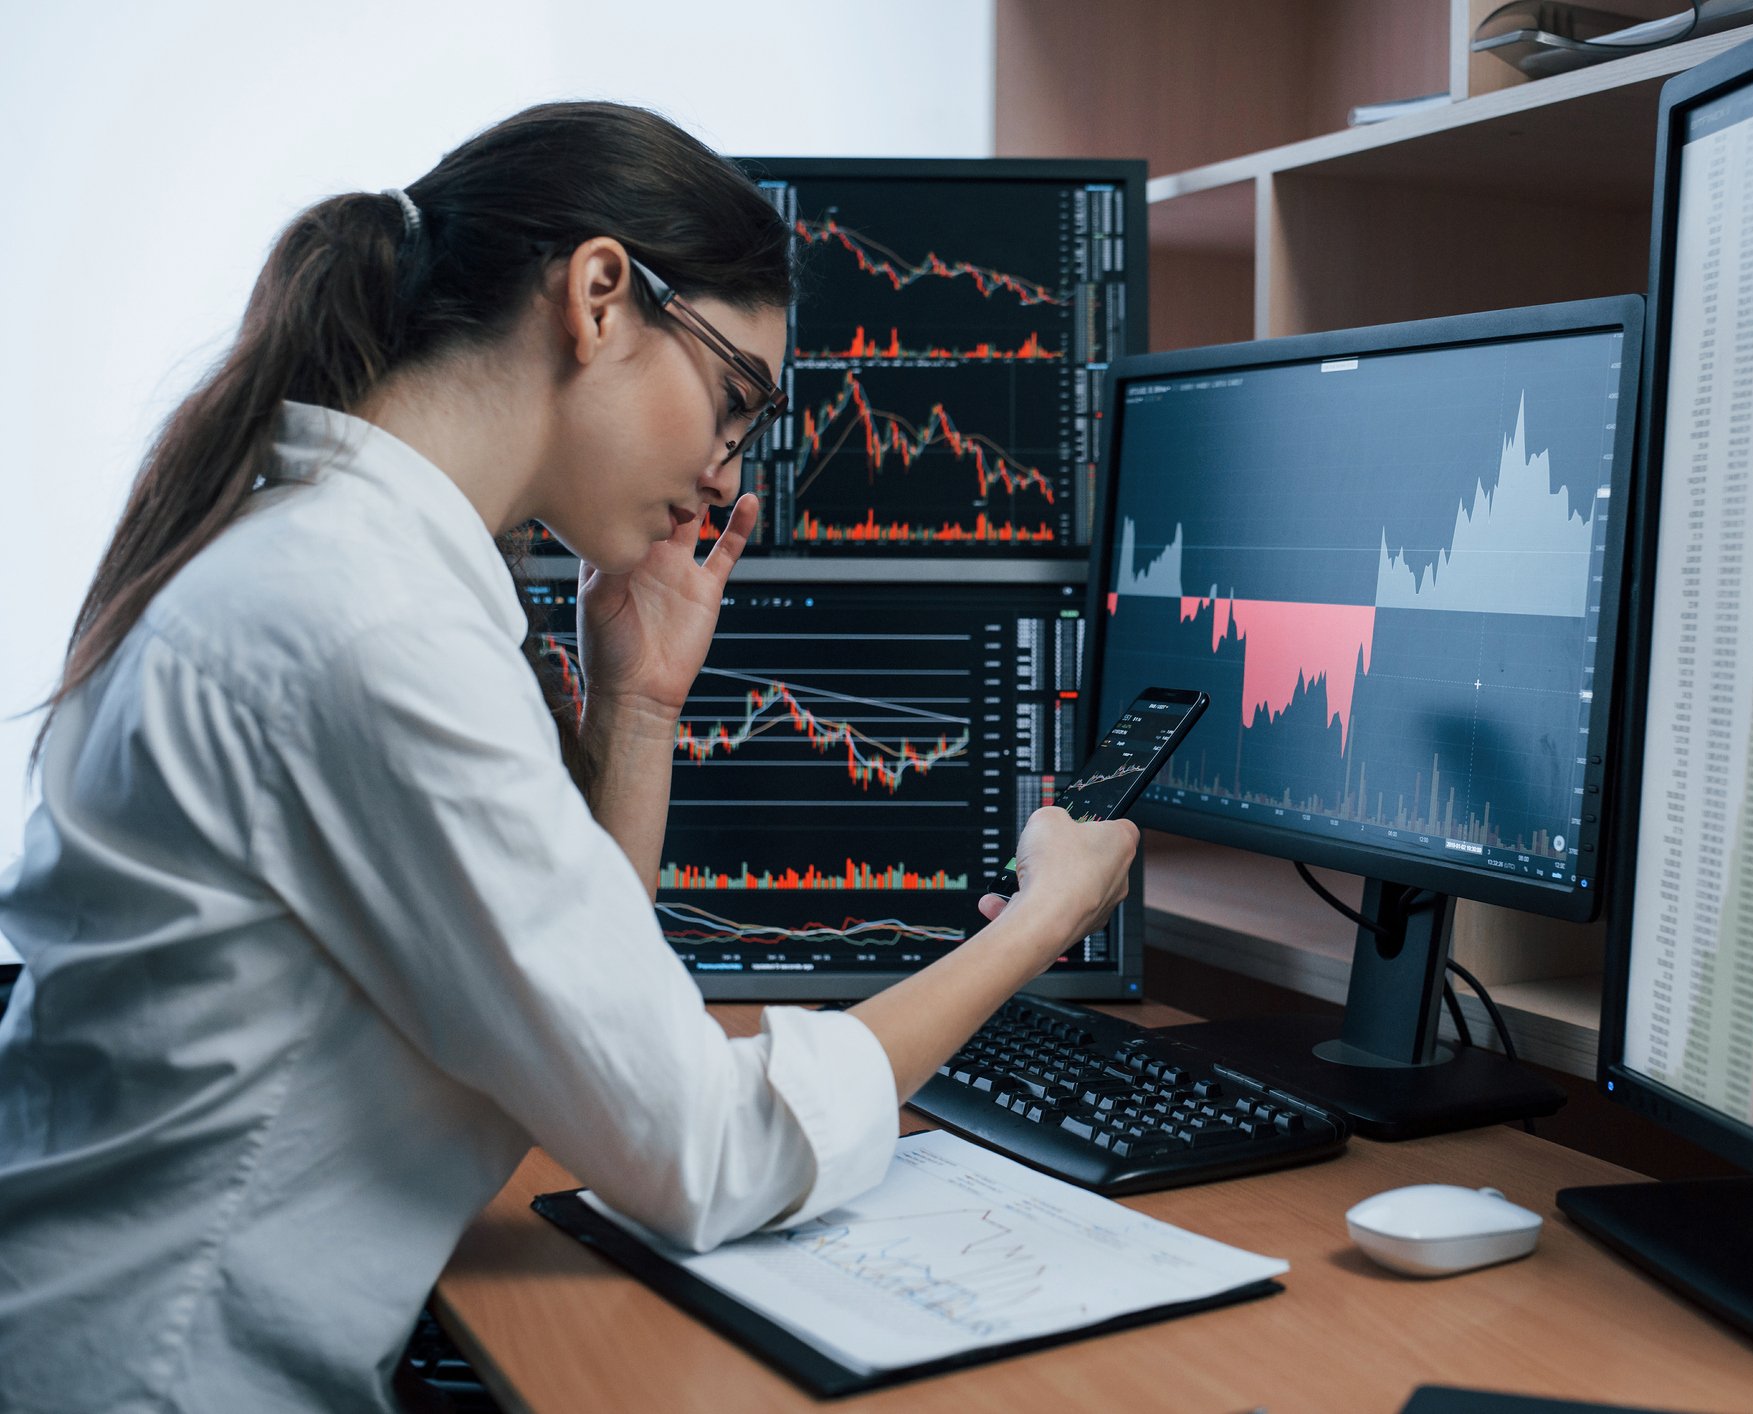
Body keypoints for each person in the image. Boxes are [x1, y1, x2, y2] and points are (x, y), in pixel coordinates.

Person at [0, 100, 1137, 1412]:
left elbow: (580, 1013)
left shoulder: (330, 558)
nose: (728, 478)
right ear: (599, 298)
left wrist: (637, 709)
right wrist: (1039, 922)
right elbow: (706, 1150)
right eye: (734, 400)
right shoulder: (368, 621)